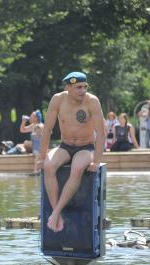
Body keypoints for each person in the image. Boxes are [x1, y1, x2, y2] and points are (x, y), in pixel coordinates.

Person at [37, 71, 105, 233]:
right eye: (78, 87)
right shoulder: (57, 100)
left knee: (77, 168)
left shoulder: (92, 101)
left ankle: (56, 212)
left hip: (85, 147)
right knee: (48, 166)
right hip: (65, 146)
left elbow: (101, 134)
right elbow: (47, 130)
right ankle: (56, 213)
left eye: (85, 87)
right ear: (68, 87)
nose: (82, 91)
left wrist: (96, 160)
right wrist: (41, 157)